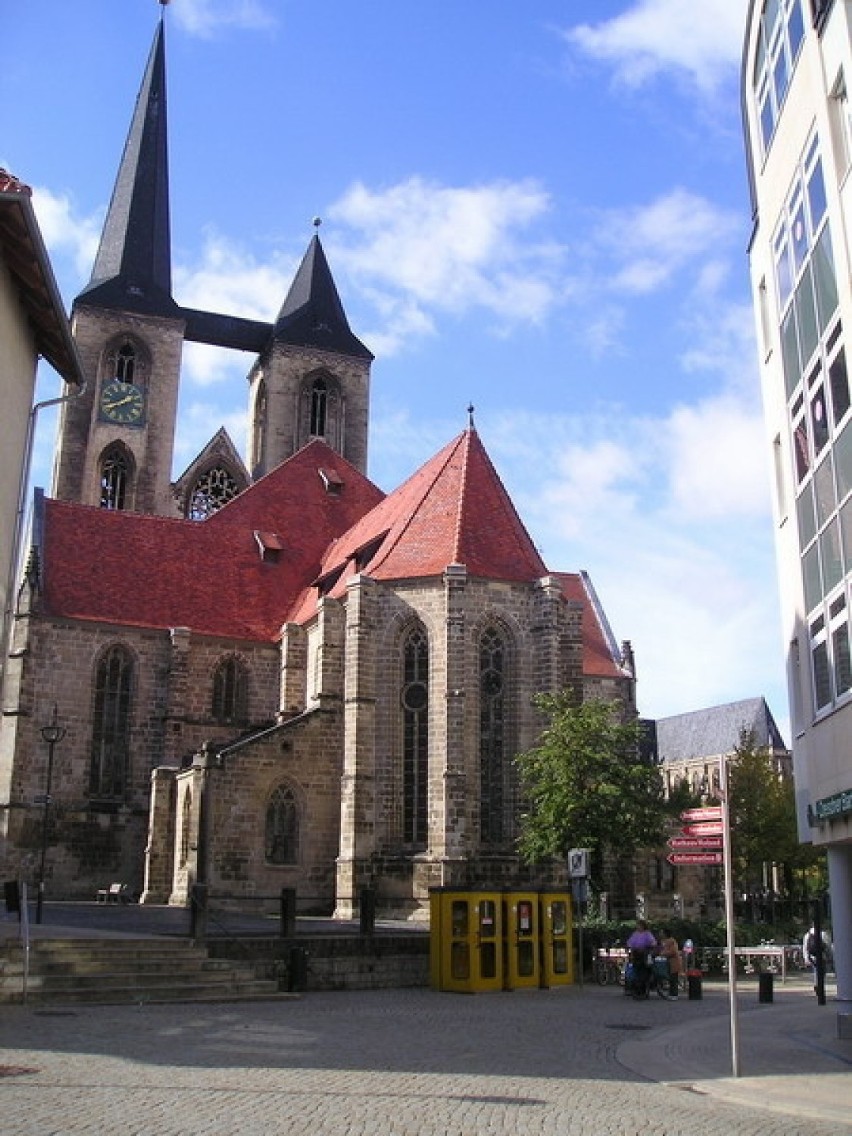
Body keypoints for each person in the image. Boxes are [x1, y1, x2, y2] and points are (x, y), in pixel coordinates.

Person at [626, 919, 657, 998]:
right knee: (636, 971)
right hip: (636, 953)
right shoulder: (635, 934)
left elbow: (653, 943)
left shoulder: (647, 934)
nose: (638, 927)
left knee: (644, 972)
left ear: (643, 926)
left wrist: (649, 947)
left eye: (639, 925)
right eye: (637, 925)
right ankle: (636, 989)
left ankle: (644, 990)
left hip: (644, 954)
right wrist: (630, 948)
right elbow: (630, 942)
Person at [803, 924, 833, 991]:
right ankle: (819, 985)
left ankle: (817, 984)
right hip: (822, 956)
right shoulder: (823, 934)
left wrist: (806, 958)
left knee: (816, 970)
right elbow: (828, 947)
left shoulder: (807, 935)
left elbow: (805, 947)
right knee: (822, 972)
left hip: (812, 957)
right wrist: (830, 956)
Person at [658, 928, 682, 998]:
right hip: (668, 962)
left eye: (661, 932)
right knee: (671, 979)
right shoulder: (664, 941)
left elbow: (673, 951)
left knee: (673, 979)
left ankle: (674, 994)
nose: (660, 934)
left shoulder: (671, 941)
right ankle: (671, 993)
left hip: (674, 962)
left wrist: (662, 953)